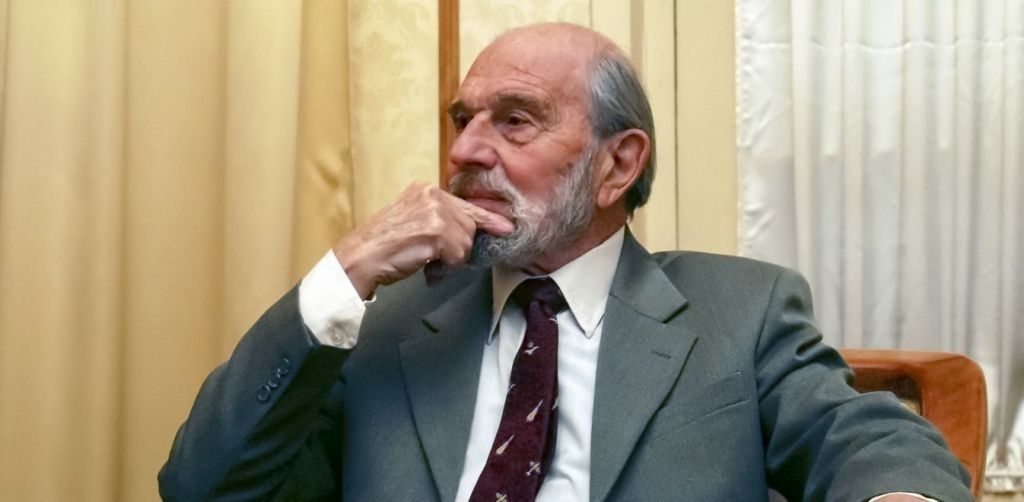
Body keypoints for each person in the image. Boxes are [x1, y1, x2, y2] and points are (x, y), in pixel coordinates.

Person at [159, 23, 971, 501]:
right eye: (464, 120)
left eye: (515, 121)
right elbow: (204, 486)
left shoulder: (739, 309)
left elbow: (859, 436)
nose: (465, 151)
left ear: (618, 164)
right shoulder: (387, 325)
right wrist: (345, 273)